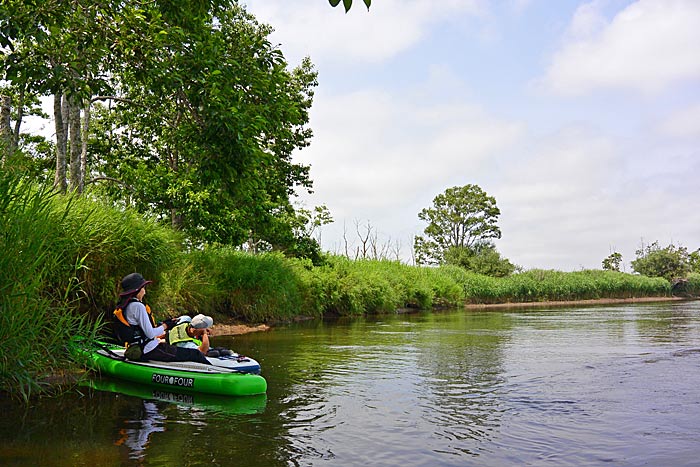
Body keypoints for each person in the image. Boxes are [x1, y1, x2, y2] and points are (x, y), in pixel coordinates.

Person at [114, 273, 210, 365]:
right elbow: (150, 334)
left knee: (181, 351)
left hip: (141, 347)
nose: (144, 291)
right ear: (137, 290)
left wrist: (165, 324)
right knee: (195, 354)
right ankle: (213, 373)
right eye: (143, 288)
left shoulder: (127, 305)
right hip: (149, 349)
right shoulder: (138, 306)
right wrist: (166, 325)